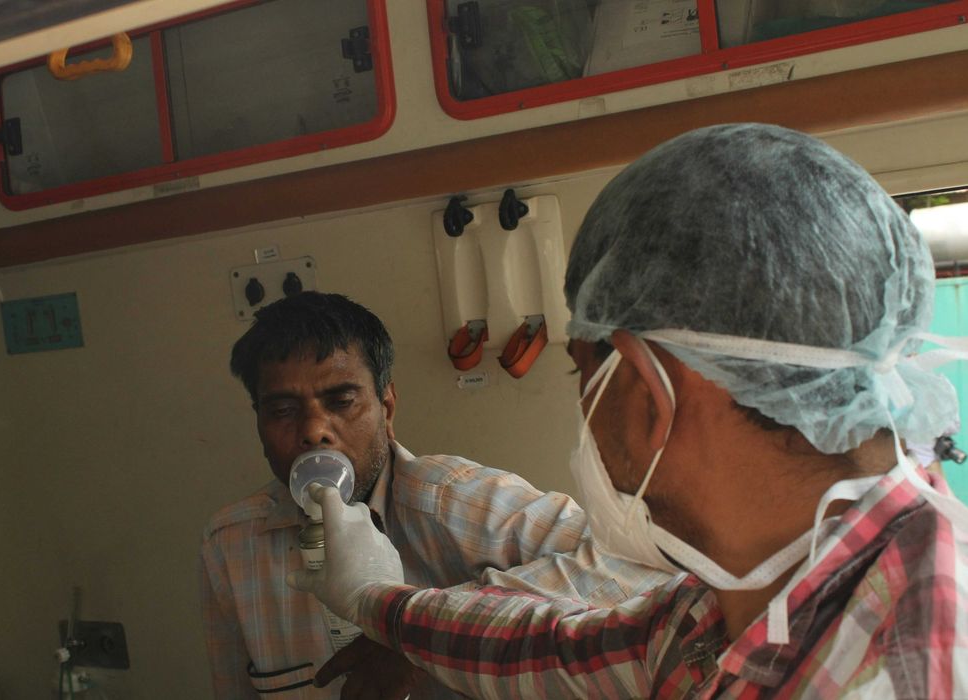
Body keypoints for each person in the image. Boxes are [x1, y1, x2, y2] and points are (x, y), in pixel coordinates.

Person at [290, 123, 968, 697]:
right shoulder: (742, 594)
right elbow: (557, 652)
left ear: (647, 391)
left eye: (579, 372)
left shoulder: (914, 665)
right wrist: (375, 599)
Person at [200, 291, 669, 698]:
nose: (314, 431)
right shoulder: (232, 546)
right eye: (282, 409)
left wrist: (420, 638)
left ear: (386, 407)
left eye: (341, 401)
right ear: (259, 421)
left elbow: (639, 569)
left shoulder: (459, 500)